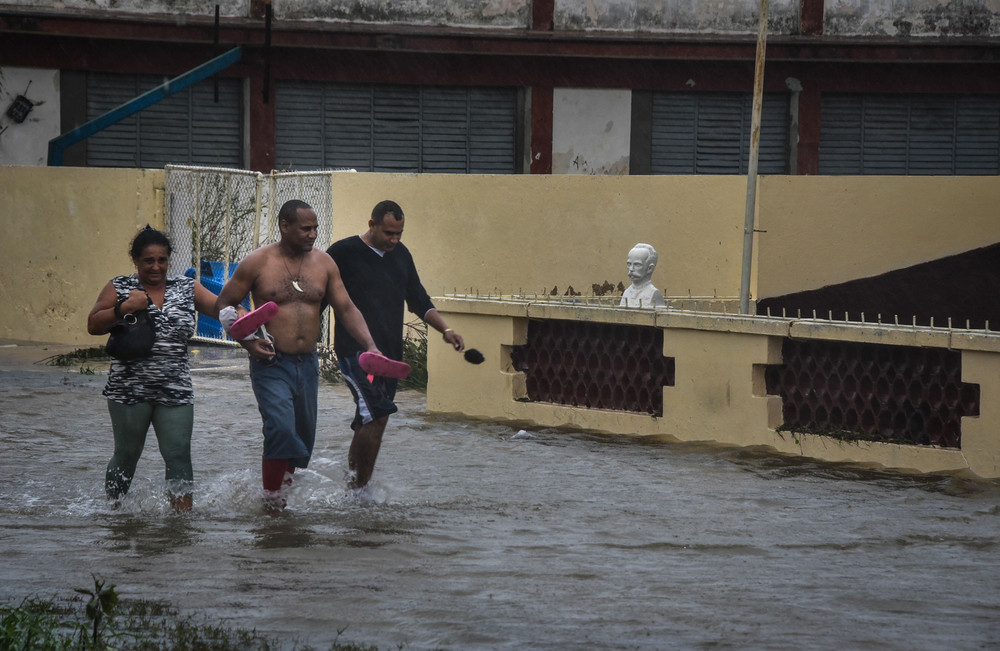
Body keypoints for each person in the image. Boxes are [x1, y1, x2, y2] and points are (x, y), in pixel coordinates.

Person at [215, 199, 381, 510]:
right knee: (280, 428)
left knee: (300, 442)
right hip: (270, 361)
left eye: (315, 228)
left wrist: (370, 346)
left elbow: (346, 308)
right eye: (305, 228)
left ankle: (281, 501)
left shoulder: (324, 264)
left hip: (307, 364)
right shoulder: (257, 262)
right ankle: (271, 504)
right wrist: (249, 342)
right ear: (284, 226)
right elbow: (223, 304)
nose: (313, 234)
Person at [327, 200, 465, 490]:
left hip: (389, 356)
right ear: (372, 224)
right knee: (377, 412)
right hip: (355, 352)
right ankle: (357, 493)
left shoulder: (401, 255)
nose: (394, 240)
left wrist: (446, 330)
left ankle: (355, 488)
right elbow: (318, 295)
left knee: (374, 419)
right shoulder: (343, 252)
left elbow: (419, 300)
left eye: (399, 234)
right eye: (389, 233)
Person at [87, 225, 220, 512]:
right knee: (126, 456)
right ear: (135, 260)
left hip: (175, 389)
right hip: (128, 390)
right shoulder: (120, 286)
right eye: (148, 261)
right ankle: (114, 513)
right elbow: (93, 324)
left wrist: (245, 314)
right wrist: (124, 307)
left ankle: (181, 523)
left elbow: (221, 309)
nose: (156, 266)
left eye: (162, 260)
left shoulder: (186, 288)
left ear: (169, 259)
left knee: (179, 455)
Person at [620, 242, 666, 308]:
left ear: (650, 268)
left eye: (637, 265)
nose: (631, 269)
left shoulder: (654, 294)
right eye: (629, 264)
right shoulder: (626, 292)